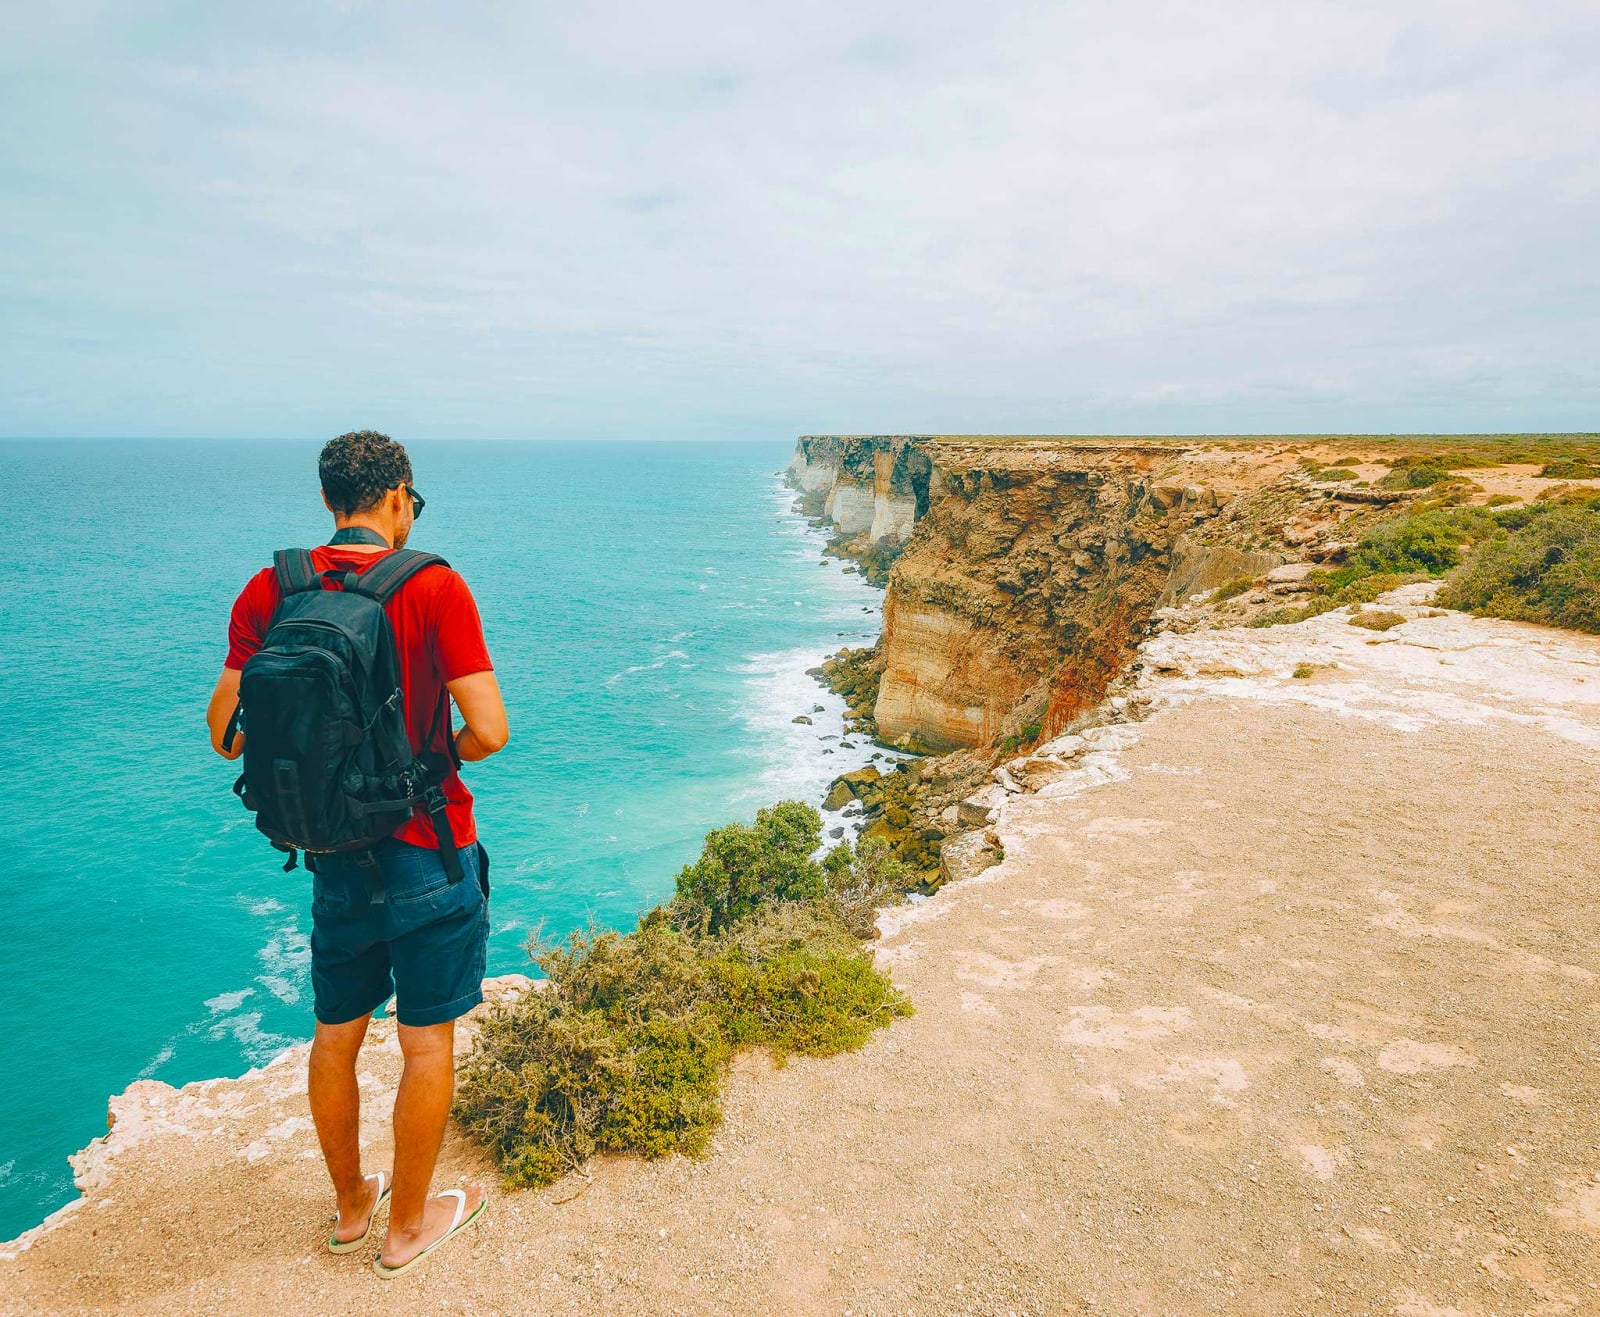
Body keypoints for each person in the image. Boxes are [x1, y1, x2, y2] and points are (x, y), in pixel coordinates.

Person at [205, 431, 509, 1277]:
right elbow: (490, 728)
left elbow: (223, 732)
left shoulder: (272, 588)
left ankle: (350, 1208)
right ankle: (407, 1228)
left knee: (335, 1036)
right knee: (426, 1044)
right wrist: (438, 750)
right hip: (428, 849)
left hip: (333, 852)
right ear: (399, 494)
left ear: (332, 498)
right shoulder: (435, 586)